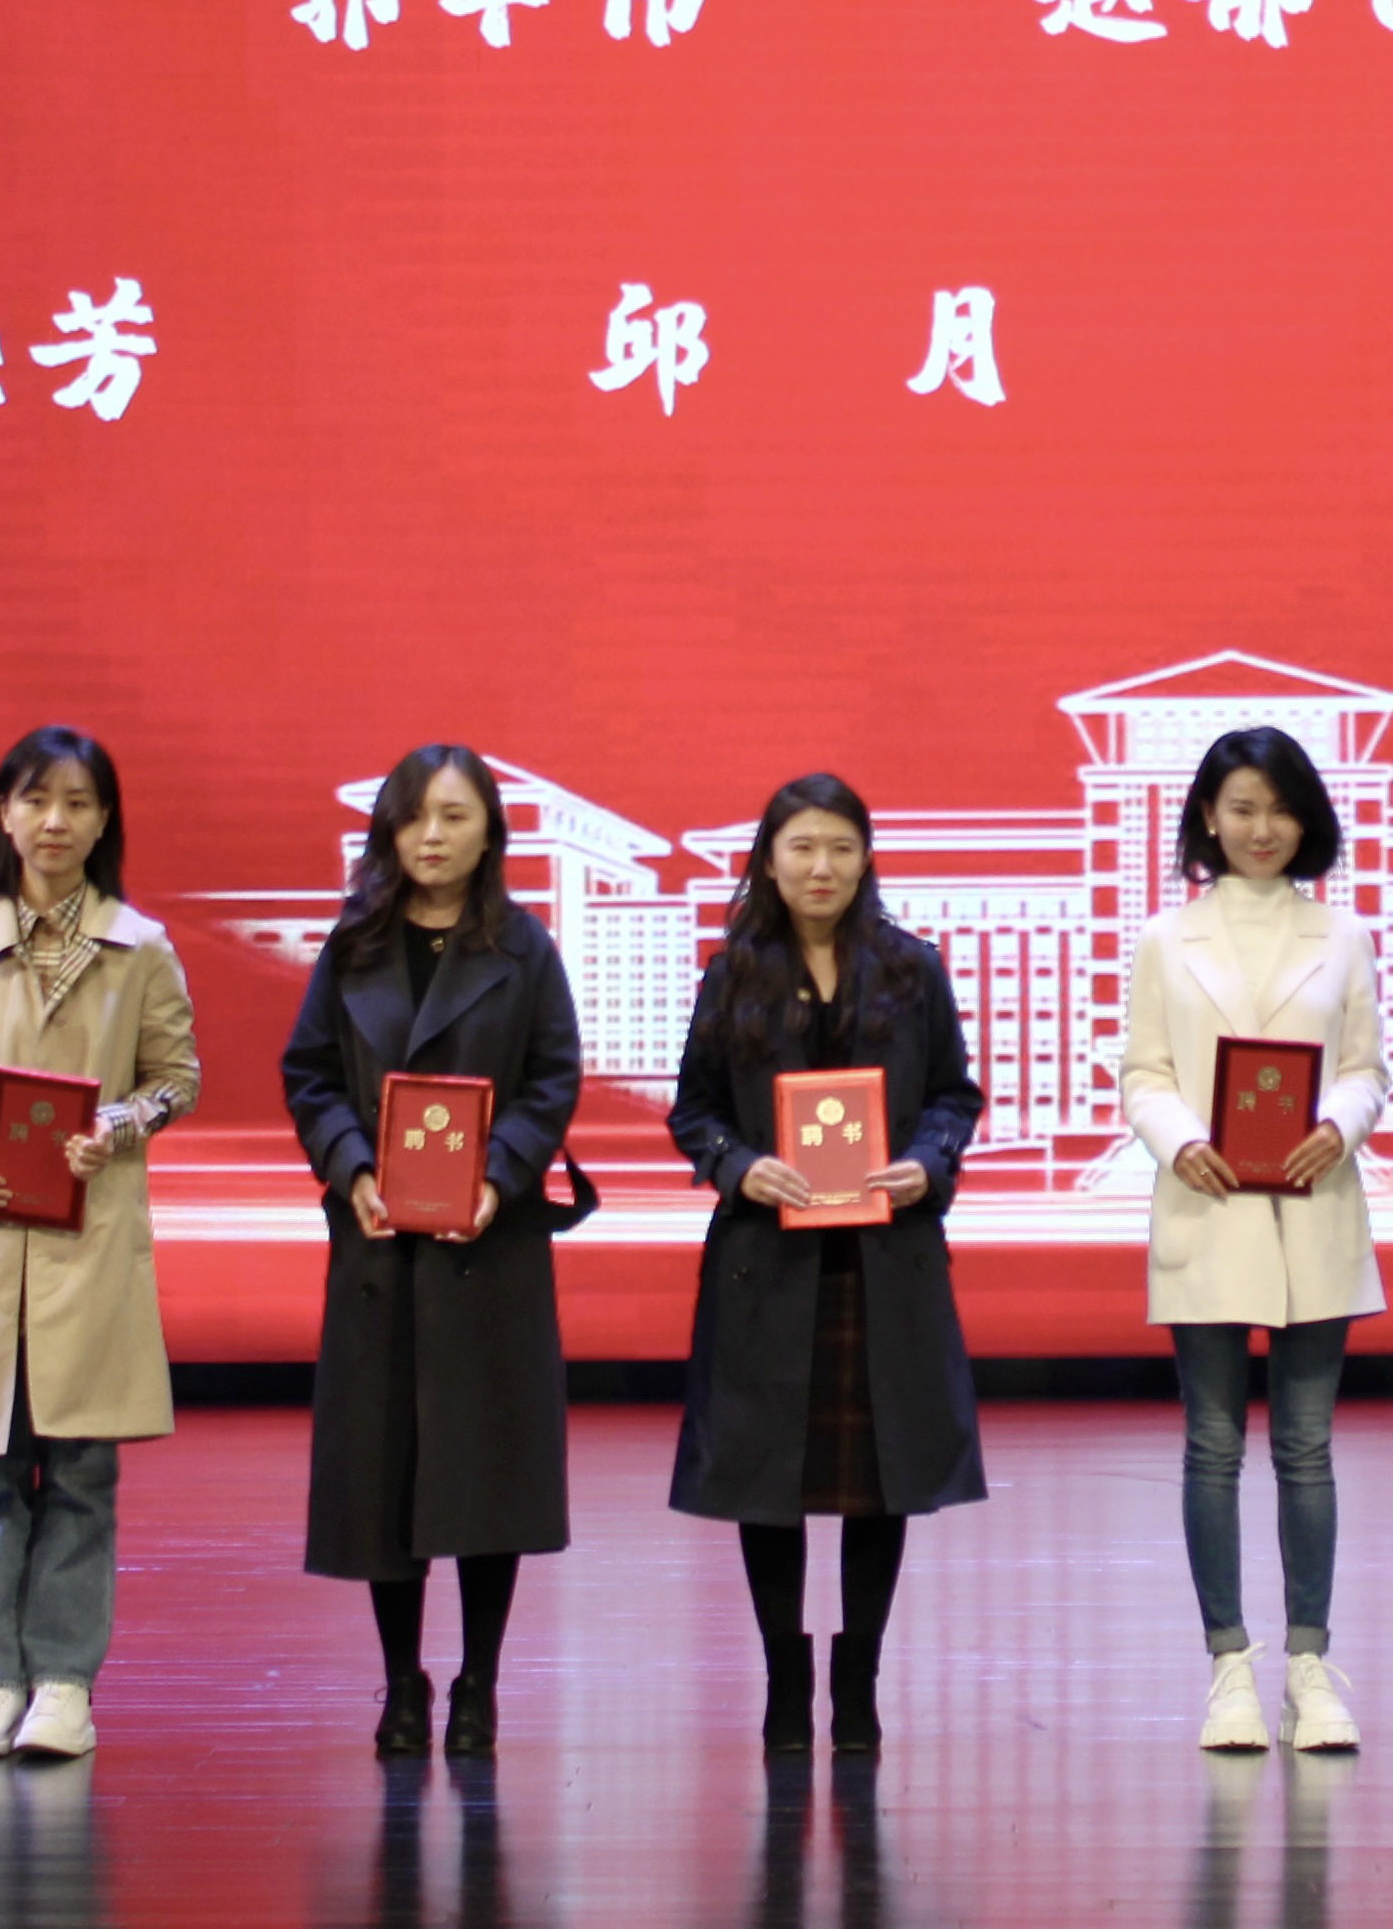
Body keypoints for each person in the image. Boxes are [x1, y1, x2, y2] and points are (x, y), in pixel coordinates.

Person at [0, 725, 203, 1763]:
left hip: (86, 1238)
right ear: (3, 814)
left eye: (76, 802)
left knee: (78, 1470)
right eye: (34, 799)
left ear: (105, 820)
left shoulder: (139, 948)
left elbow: (176, 1078)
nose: (54, 821)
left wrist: (115, 1126)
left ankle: (64, 1683)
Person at [280, 743, 590, 1759]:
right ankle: (402, 1680)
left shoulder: (524, 948)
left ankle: (478, 1681)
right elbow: (310, 1074)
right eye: (415, 817)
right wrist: (351, 1170)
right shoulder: (355, 944)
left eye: (454, 817)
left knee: (485, 1473)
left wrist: (497, 1177)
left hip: (488, 1251)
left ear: (489, 831)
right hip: (380, 1250)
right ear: (389, 830)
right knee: (388, 1476)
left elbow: (552, 1078)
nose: (433, 836)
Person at [666, 773, 988, 1754]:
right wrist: (738, 1166)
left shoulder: (911, 969)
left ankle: (857, 1681)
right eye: (802, 847)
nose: (822, 867)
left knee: (877, 1478)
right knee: (766, 1476)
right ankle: (783, 1678)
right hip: (766, 1264)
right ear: (769, 860)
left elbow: (954, 1096)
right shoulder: (733, 974)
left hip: (883, 1261)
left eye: (841, 848)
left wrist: (926, 1162)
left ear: (866, 859)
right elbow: (694, 1111)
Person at [1118, 725, 1390, 1753]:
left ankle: (1309, 1668)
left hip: (1314, 1204)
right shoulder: (1166, 937)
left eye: (1278, 809)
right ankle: (1228, 1668)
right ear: (1207, 817)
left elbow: (1365, 1068)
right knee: (1213, 1444)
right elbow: (1144, 1073)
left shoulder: (1342, 935)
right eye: (1241, 808)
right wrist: (1180, 1140)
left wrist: (1341, 1125)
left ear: (1306, 819)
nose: (1260, 827)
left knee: (1307, 1448)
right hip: (1210, 1204)